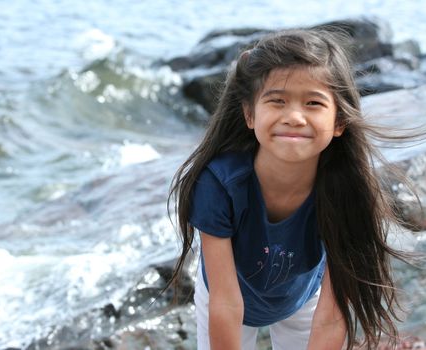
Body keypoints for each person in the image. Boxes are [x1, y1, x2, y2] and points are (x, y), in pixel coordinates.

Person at [167, 28, 417, 350]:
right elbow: (227, 305)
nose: (294, 117)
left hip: (303, 296)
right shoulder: (218, 185)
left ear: (339, 122)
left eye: (313, 103)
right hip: (224, 296)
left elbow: (331, 315)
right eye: (277, 101)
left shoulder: (346, 189)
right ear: (249, 114)